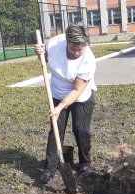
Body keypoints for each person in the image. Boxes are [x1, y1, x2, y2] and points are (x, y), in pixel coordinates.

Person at [35, 23, 96, 184]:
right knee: (56, 129)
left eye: (81, 48)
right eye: (73, 48)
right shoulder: (54, 43)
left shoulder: (88, 61)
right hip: (56, 91)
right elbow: (47, 58)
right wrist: (40, 53)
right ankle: (50, 168)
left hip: (81, 96)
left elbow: (76, 91)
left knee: (80, 129)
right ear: (66, 42)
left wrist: (60, 107)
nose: (77, 52)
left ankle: (85, 162)